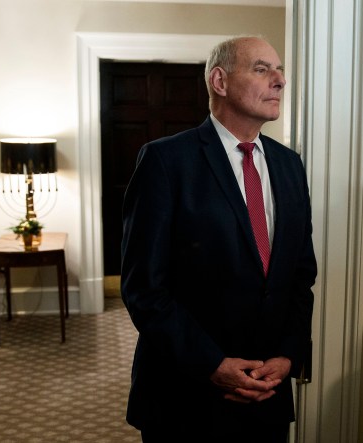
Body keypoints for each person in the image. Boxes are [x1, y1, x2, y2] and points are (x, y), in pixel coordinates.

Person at [120, 35, 317, 442]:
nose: (279, 80)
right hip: (186, 396)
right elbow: (144, 289)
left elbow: (301, 275)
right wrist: (212, 364)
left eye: (280, 70)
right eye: (262, 69)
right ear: (220, 81)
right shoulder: (165, 161)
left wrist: (288, 354)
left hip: (267, 394)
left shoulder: (290, 165)